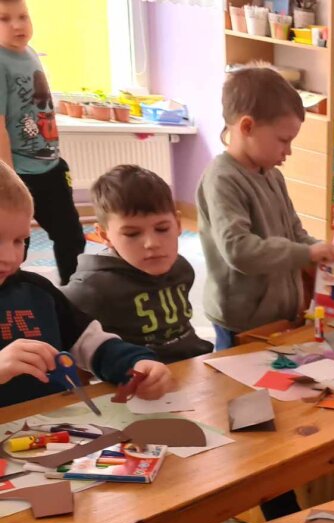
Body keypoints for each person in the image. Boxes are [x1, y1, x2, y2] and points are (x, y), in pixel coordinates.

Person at [198, 64, 334, 351]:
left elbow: (294, 233)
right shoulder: (222, 179)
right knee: (235, 378)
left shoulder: (273, 175)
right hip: (242, 321)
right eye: (283, 140)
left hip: (279, 314)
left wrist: (323, 249)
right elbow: (238, 250)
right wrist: (306, 253)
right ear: (247, 127)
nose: (288, 151)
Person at [0, 163, 171, 408]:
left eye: (20, 240)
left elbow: (92, 344)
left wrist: (136, 364)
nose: (9, 256)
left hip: (54, 423)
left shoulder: (37, 291)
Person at [63, 165, 213, 363]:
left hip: (193, 364)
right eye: (132, 234)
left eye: (162, 229)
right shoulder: (89, 289)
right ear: (105, 235)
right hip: (140, 377)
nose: (152, 243)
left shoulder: (182, 268)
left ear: (177, 224)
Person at [0, 0, 85, 284]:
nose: (17, 25)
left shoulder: (31, 53)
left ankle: (74, 292)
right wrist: (10, 179)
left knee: (70, 235)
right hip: (20, 173)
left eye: (23, 16)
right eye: (4, 19)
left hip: (50, 166)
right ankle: (10, 296)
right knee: (14, 245)